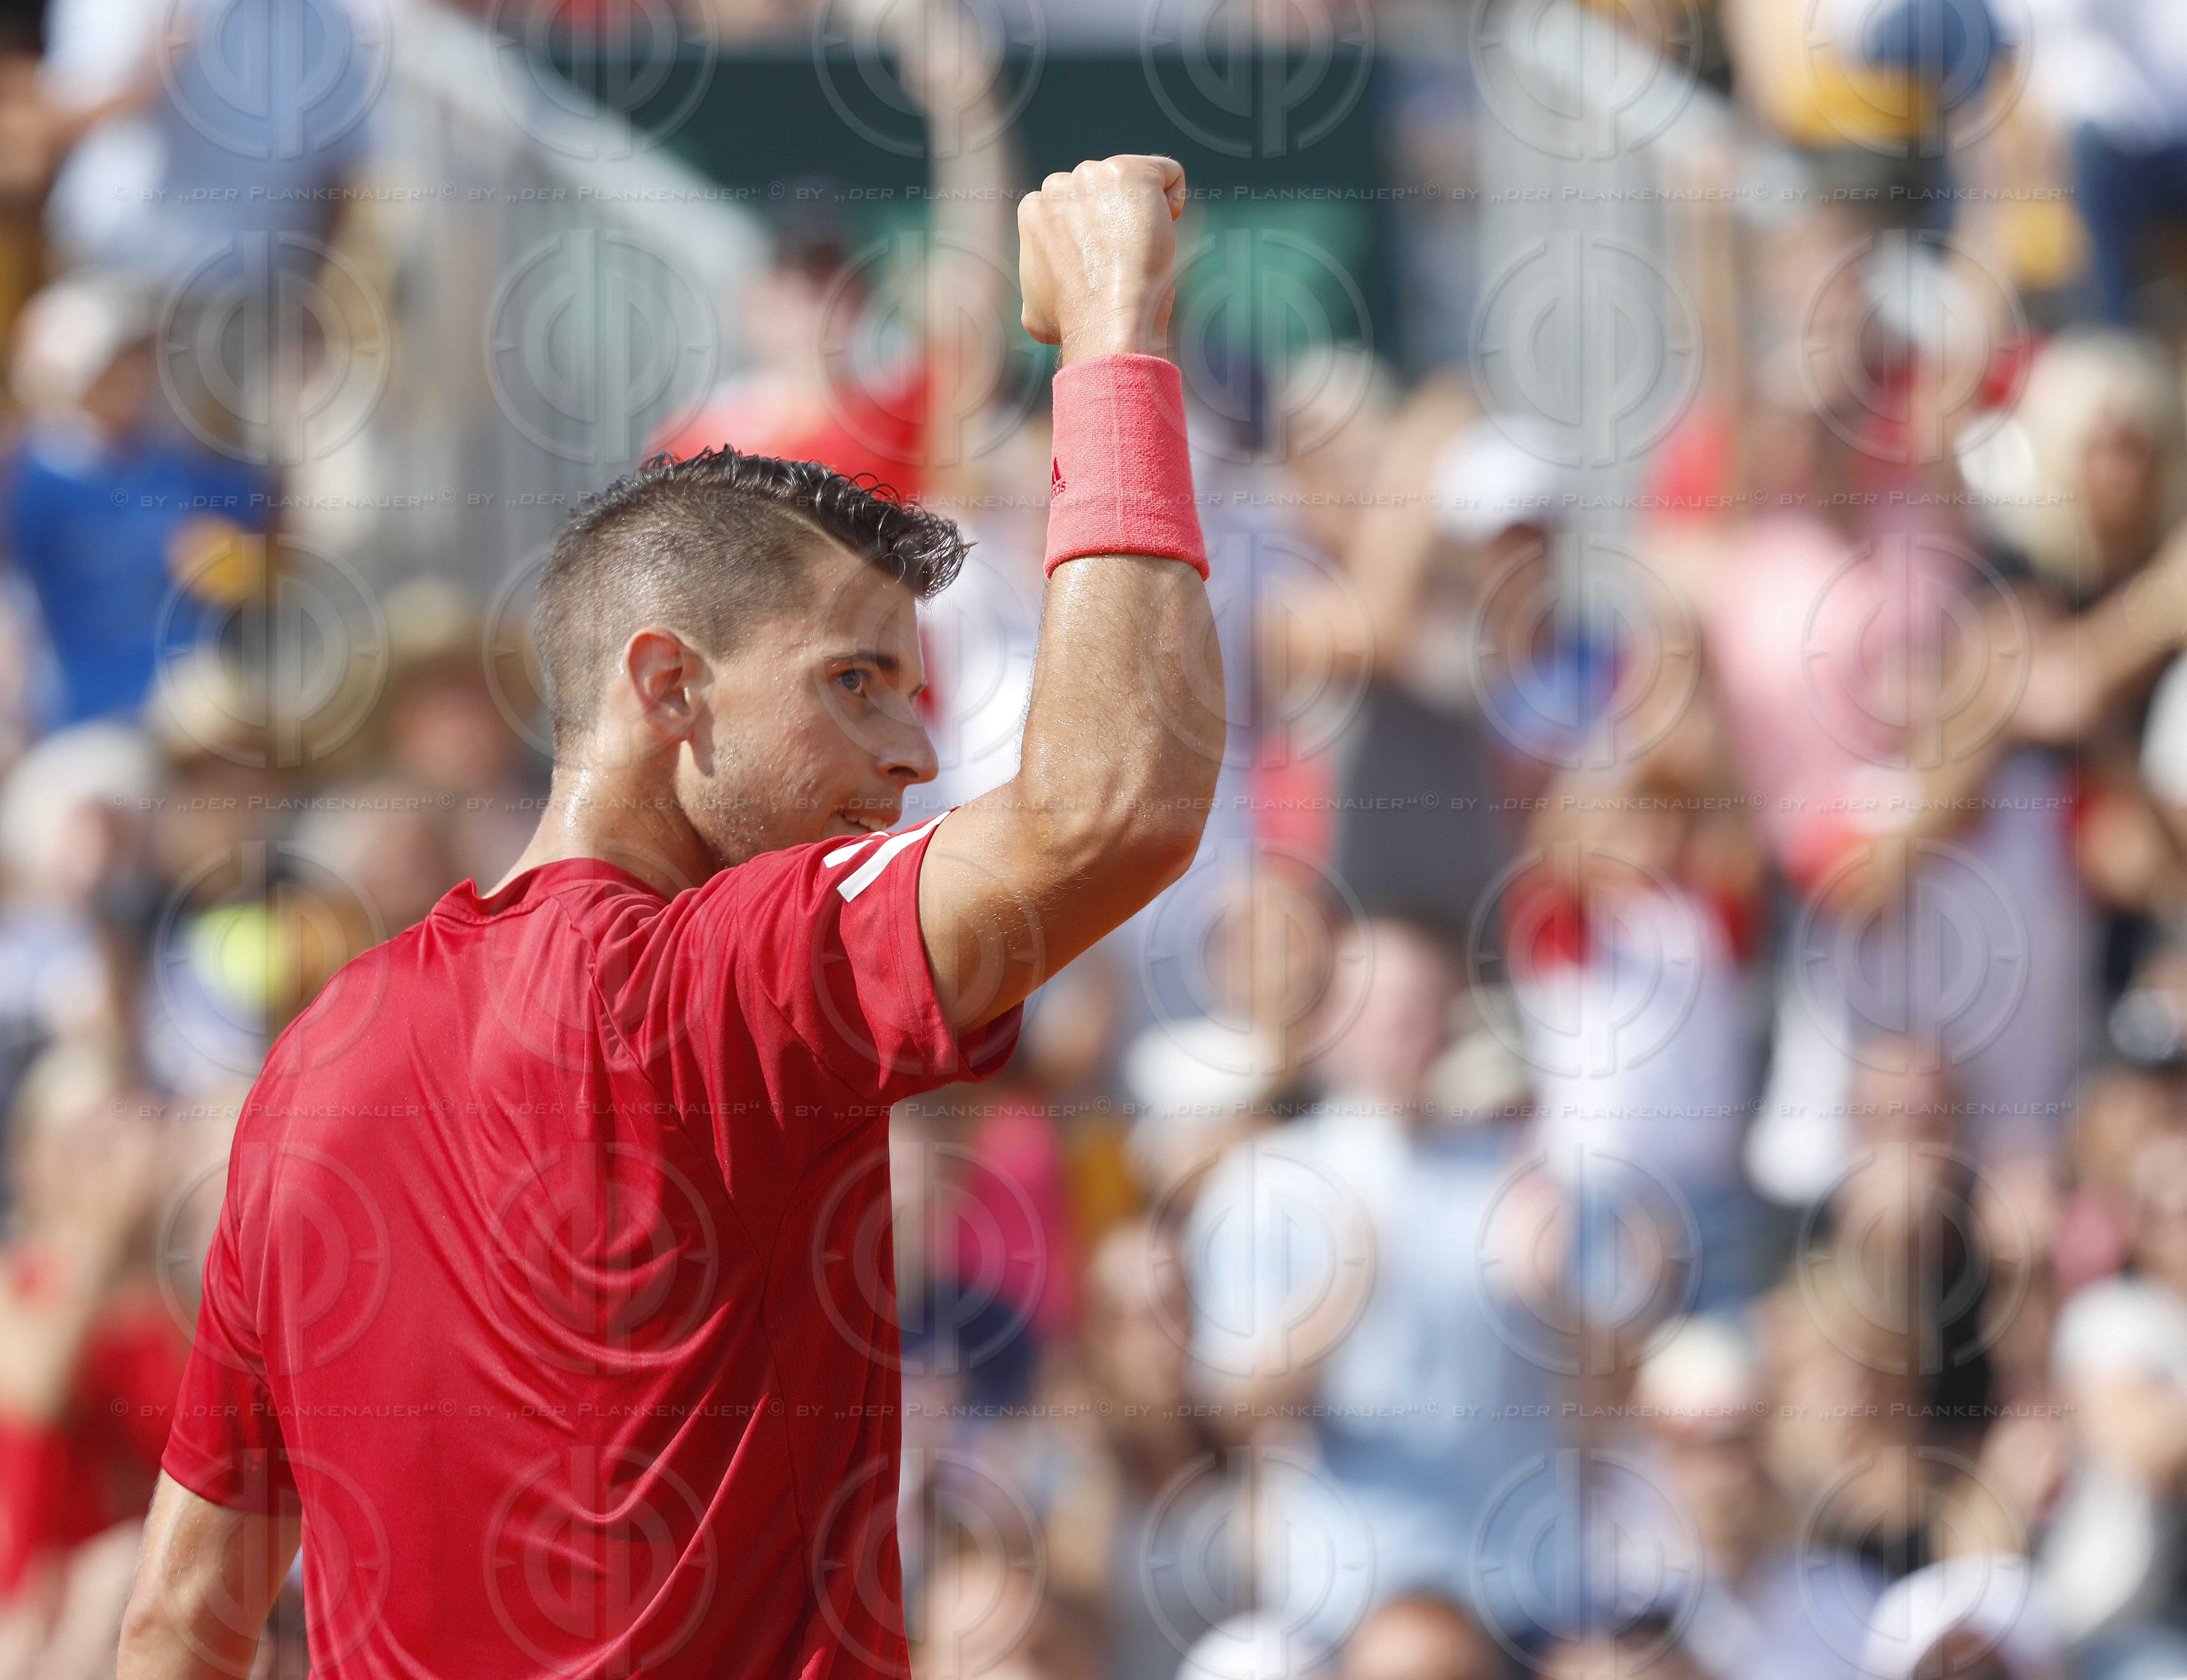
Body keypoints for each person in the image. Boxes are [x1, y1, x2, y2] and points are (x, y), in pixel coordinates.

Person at [114, 154, 1223, 1679]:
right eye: (854, 684)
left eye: (918, 691)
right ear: (667, 687)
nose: (913, 751)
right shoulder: (728, 972)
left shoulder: (308, 1067)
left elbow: (181, 1620)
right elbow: (1118, 804)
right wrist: (1115, 334)